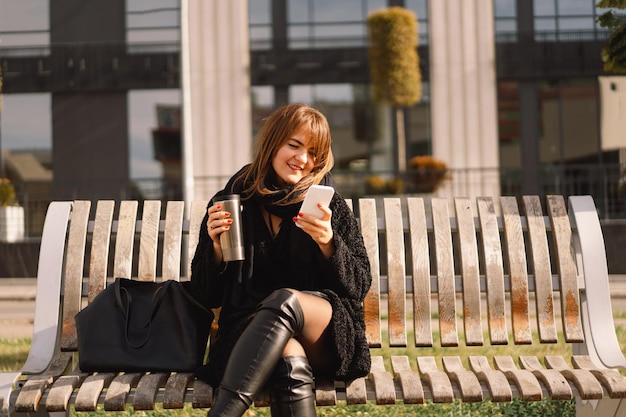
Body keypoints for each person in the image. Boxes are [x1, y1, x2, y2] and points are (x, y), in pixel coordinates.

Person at [191, 103, 372, 417]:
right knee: (289, 360)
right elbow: (206, 295)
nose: (303, 159)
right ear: (272, 143)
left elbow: (360, 285)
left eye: (313, 152)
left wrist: (329, 243)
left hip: (324, 331)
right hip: (250, 330)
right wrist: (216, 250)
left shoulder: (328, 204)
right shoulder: (234, 200)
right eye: (294, 145)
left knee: (286, 300)